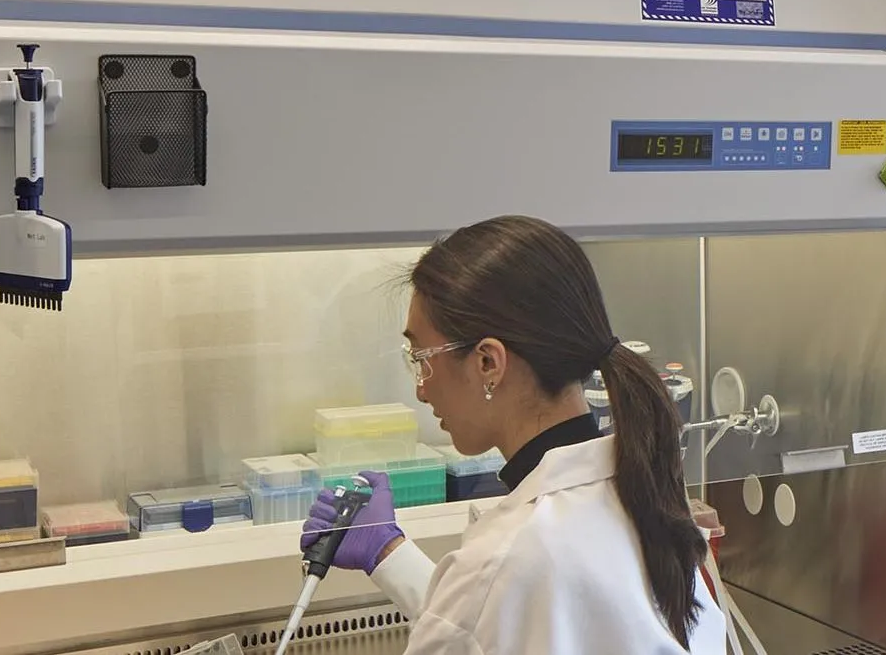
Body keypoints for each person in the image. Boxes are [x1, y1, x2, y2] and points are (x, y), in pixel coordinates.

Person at [301, 215, 727, 654]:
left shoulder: (507, 556)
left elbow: (489, 608)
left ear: (489, 363)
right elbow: (504, 624)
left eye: (421, 356)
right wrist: (388, 553)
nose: (421, 388)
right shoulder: (647, 500)